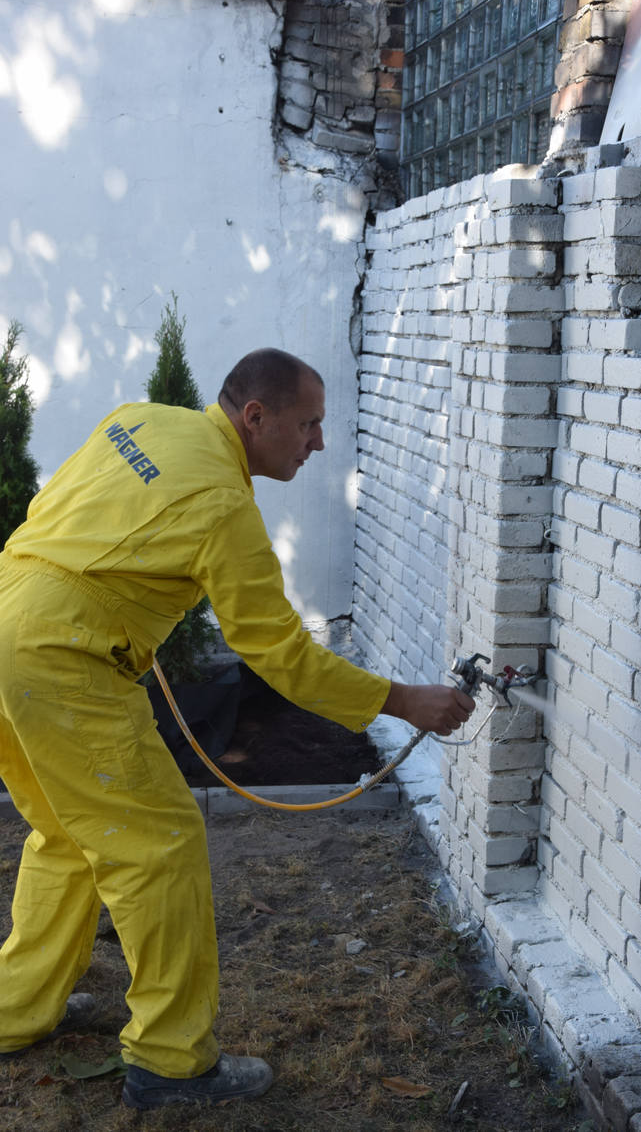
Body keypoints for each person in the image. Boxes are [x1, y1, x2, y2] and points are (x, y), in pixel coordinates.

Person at [0, 348, 475, 1109]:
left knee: (65, 834)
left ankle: (15, 1010)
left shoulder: (139, 420)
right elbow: (279, 653)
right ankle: (169, 1060)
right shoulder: (224, 505)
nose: (318, 443)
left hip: (7, 617)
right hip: (63, 660)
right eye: (308, 425)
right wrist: (401, 700)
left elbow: (80, 517)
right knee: (160, 847)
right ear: (255, 417)